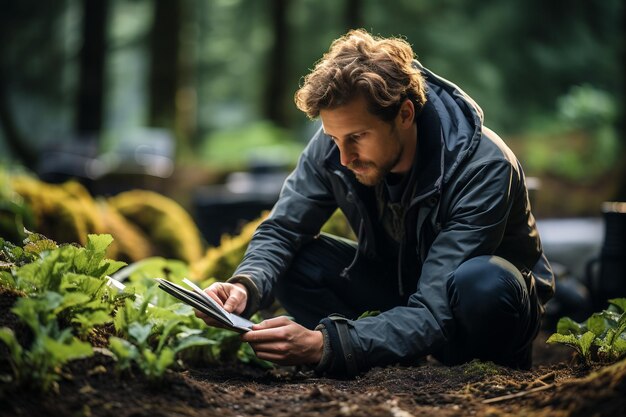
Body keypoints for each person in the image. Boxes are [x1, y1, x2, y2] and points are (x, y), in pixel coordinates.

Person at [196, 29, 555, 378]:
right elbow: (283, 227)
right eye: (333, 137)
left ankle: (473, 369)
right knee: (294, 261)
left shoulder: (484, 167)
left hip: (471, 313)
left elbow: (435, 307)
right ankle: (391, 351)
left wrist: (326, 345)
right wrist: (245, 286)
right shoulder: (335, 146)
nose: (344, 157)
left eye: (357, 137)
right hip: (400, 291)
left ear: (405, 115)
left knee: (482, 282)